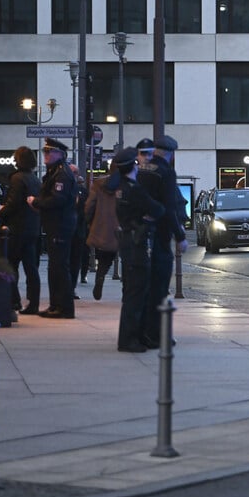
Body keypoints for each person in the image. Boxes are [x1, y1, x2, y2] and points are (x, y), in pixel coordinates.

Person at [137, 135, 188, 349]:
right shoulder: (166, 172)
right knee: (159, 288)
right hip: (160, 235)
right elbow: (169, 207)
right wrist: (180, 235)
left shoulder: (142, 170)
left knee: (145, 287)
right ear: (171, 154)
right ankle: (156, 335)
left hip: (141, 234)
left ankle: (142, 332)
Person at [114, 147, 165, 353]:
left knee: (131, 292)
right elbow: (158, 209)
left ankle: (135, 336)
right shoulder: (134, 189)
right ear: (133, 165)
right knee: (136, 294)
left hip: (128, 242)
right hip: (138, 243)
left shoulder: (120, 188)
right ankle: (129, 339)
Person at [27, 138, 77, 319]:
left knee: (59, 267)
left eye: (50, 152)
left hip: (60, 225)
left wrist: (36, 202)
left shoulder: (62, 174)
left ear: (61, 155)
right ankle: (56, 305)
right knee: (55, 267)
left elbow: (58, 199)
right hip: (55, 224)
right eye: (45, 152)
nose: (46, 155)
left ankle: (63, 307)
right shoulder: (55, 172)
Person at [0, 146, 42, 315]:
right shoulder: (35, 179)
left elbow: (13, 203)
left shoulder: (17, 179)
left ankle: (13, 300)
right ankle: (34, 303)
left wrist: (2, 210)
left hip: (16, 229)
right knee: (31, 268)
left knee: (10, 265)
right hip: (32, 229)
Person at [85, 171, 121, 300]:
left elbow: (89, 205)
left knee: (105, 257)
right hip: (123, 226)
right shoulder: (128, 183)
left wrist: (90, 222)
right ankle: (127, 290)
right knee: (129, 259)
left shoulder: (99, 183)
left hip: (104, 225)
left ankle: (100, 276)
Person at [68, 165, 90, 298]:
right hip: (65, 231)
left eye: (76, 172)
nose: (75, 175)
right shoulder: (64, 189)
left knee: (76, 260)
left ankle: (72, 288)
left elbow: (87, 210)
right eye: (72, 172)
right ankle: (66, 288)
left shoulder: (82, 191)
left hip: (79, 231)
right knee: (65, 261)